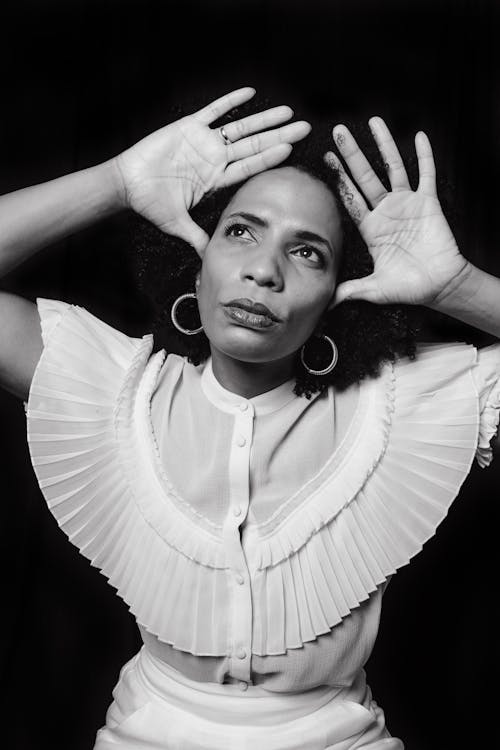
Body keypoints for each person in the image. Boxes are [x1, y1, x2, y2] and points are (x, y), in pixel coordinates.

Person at [1, 86, 499, 749]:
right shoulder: (113, 388)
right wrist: (117, 182)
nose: (264, 271)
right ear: (196, 261)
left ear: (336, 296)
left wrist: (457, 284)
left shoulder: (401, 406)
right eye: (240, 232)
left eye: (308, 252)